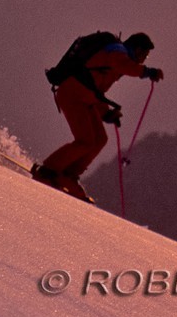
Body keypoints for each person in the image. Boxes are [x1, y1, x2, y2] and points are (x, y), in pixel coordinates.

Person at [33, 32, 163, 200]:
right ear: (137, 49)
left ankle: (68, 174)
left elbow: (96, 90)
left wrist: (107, 113)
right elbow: (123, 65)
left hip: (83, 98)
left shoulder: (116, 63)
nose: (144, 59)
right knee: (85, 140)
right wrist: (147, 72)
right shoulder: (118, 51)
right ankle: (48, 170)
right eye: (144, 54)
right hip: (72, 94)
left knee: (100, 139)